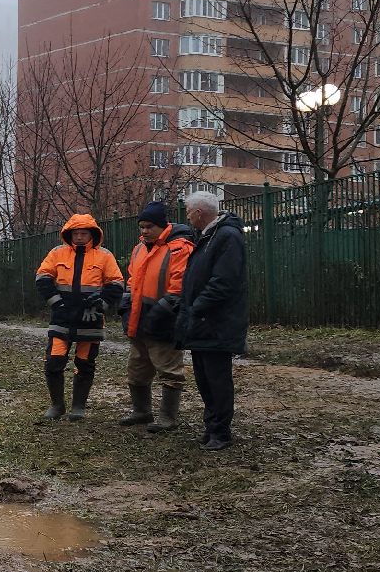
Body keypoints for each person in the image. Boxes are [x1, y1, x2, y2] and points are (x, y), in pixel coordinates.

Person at [174, 190, 248, 451]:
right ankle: (212, 427)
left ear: (198, 213)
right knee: (205, 379)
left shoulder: (226, 237)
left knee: (217, 380)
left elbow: (223, 282)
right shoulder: (208, 237)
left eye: (188, 211)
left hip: (216, 322)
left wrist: (197, 306)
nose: (187, 217)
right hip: (203, 322)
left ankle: (221, 432)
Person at [34, 213, 124, 422]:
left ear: (92, 234)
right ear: (69, 234)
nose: (80, 237)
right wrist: (56, 302)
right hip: (62, 316)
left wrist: (101, 303)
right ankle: (57, 405)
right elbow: (42, 277)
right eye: (76, 233)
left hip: (90, 317)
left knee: (85, 363)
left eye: (84, 233)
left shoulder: (104, 256)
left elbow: (116, 283)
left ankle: (78, 407)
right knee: (54, 361)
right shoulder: (57, 253)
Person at [118, 200, 194, 432]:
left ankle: (167, 417)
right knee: (137, 368)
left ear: (163, 225)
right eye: (141, 227)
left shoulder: (180, 248)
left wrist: (162, 310)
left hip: (164, 321)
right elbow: (132, 279)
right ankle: (142, 411)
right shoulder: (140, 247)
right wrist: (127, 302)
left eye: (149, 226)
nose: (144, 231)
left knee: (169, 370)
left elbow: (179, 286)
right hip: (138, 318)